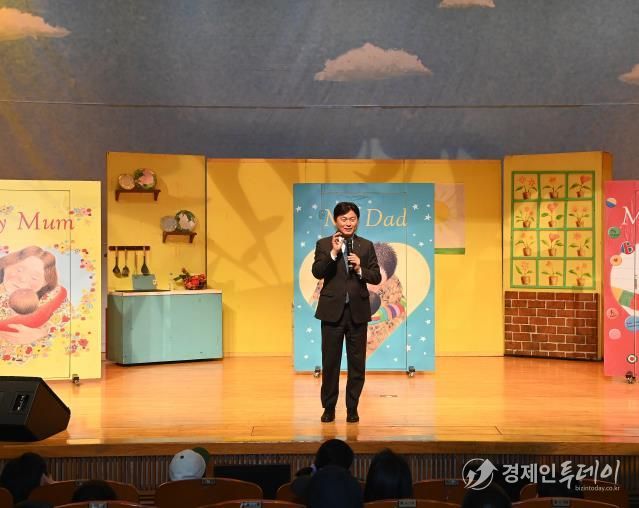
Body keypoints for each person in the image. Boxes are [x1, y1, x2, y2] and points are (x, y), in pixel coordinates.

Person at [312, 202, 381, 423]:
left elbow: (376, 276)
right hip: (332, 313)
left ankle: (352, 408)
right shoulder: (324, 244)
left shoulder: (366, 246)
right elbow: (317, 271)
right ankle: (329, 408)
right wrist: (333, 253)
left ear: (357, 221)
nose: (348, 223)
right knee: (330, 363)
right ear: (335, 221)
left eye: (352, 219)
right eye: (343, 219)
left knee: (357, 364)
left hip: (357, 313)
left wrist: (360, 268)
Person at [0, 245, 68, 346]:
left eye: (34, 278)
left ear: (44, 283)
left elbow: (74, 329)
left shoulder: (54, 298)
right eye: (19, 270)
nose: (22, 279)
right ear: (7, 265)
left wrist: (42, 334)